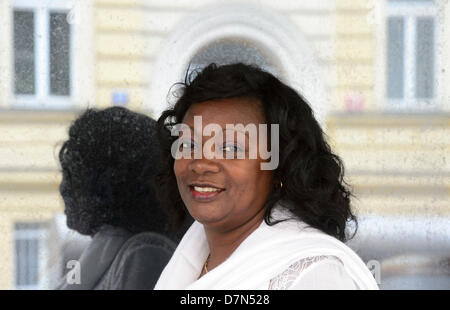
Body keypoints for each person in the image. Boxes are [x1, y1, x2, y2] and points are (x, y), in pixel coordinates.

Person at [154, 63, 378, 289]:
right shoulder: (193, 253)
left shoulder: (312, 275)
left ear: (281, 166)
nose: (200, 164)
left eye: (231, 148)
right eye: (189, 144)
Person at [56, 106, 183, 290]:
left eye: (71, 175)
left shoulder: (144, 255)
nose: (63, 189)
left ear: (104, 184)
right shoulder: (113, 252)